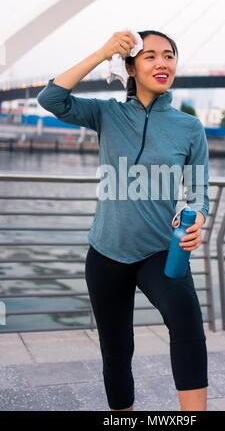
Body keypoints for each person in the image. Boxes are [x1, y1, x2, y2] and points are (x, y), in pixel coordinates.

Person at [37, 30, 210, 412]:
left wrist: (198, 214)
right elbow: (50, 98)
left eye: (169, 56)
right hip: (107, 254)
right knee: (117, 351)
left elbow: (199, 192)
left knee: (187, 323)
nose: (162, 63)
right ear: (130, 67)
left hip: (161, 253)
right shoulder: (107, 114)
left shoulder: (189, 127)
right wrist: (102, 53)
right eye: (149, 56)